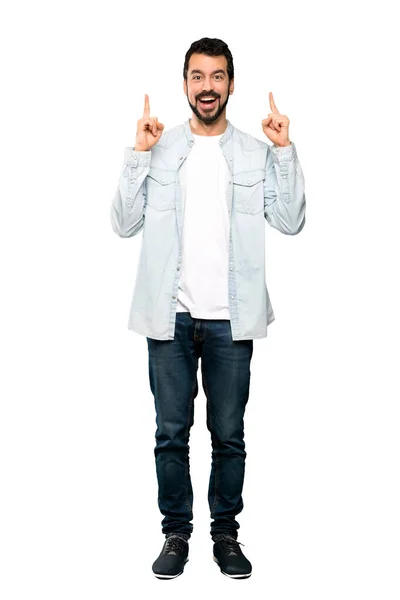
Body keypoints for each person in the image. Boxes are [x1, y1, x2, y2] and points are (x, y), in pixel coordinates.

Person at [110, 37, 306, 580]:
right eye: (198, 77)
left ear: (231, 84)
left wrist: (285, 151)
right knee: (170, 433)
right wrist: (139, 155)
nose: (207, 88)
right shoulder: (160, 148)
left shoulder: (255, 153)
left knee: (229, 436)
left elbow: (290, 221)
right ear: (185, 84)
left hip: (231, 321)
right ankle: (176, 534)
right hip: (168, 318)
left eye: (217, 77)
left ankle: (226, 535)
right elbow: (123, 223)